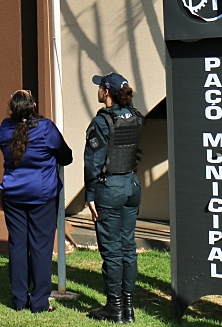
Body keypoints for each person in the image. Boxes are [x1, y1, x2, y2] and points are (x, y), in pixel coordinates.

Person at [0, 90, 73, 313]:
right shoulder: (45, 128)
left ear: (12, 109)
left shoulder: (4, 128)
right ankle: (40, 301)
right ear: (34, 106)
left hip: (13, 193)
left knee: (18, 245)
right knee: (41, 247)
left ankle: (19, 299)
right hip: (41, 195)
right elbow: (65, 156)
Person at [84, 72, 144, 323]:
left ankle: (114, 307)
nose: (98, 90)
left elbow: (93, 162)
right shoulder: (136, 117)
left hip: (110, 189)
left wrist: (90, 194)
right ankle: (128, 306)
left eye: (100, 87)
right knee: (128, 247)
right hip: (131, 185)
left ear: (106, 92)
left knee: (112, 251)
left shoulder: (102, 122)